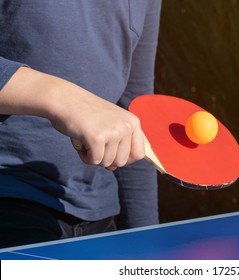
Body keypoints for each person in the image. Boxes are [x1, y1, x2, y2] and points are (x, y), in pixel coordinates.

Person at [0, 0, 161, 248]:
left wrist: (145, 240)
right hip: (11, 193)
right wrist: (62, 98)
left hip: (99, 216)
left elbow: (134, 115)